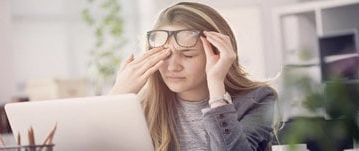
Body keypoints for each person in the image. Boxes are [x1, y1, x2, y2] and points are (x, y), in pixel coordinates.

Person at [109, 2, 280, 151]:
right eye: (165, 55)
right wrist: (117, 98)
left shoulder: (258, 99)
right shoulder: (143, 105)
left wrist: (216, 88)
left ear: (218, 54)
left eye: (188, 55)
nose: (173, 66)